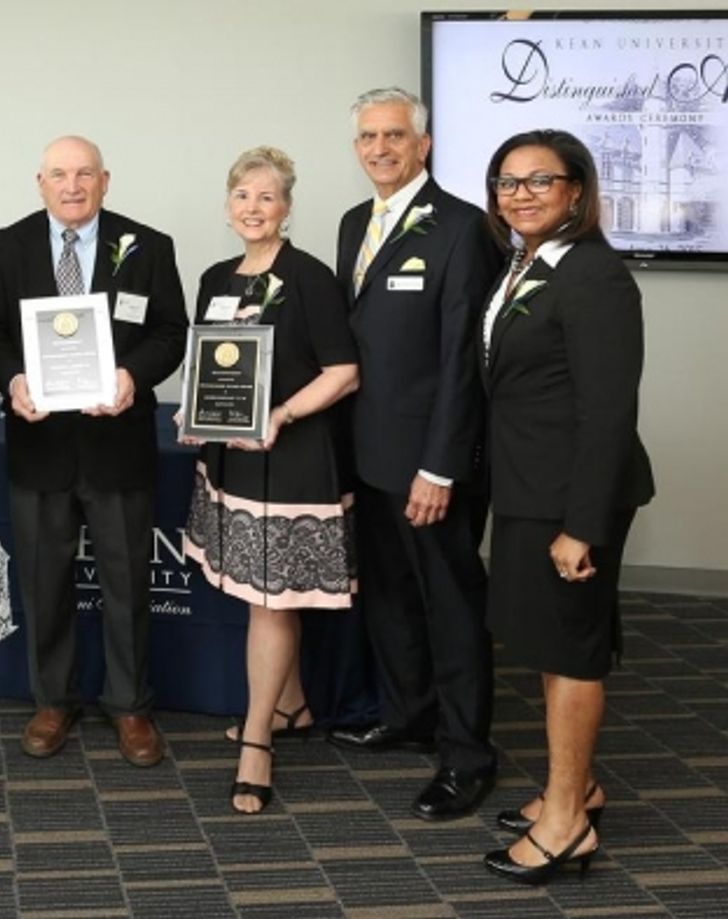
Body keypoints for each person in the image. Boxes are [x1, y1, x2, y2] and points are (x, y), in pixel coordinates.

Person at [0, 136, 187, 767]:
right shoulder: (3, 246)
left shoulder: (149, 245)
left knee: (127, 583)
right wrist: (12, 380)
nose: (72, 186)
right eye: (60, 175)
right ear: (40, 182)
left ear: (105, 180)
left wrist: (132, 376)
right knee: (44, 583)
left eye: (85, 174)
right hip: (39, 444)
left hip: (117, 444)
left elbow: (170, 331)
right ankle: (53, 700)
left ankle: (130, 705)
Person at [479, 130, 653, 883]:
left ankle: (565, 824)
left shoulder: (594, 275)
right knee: (553, 647)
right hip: (530, 487)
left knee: (572, 652)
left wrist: (581, 526)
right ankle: (575, 787)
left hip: (571, 499)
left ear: (576, 190)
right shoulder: (527, 264)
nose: (520, 194)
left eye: (539, 180)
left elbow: (608, 412)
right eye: (507, 182)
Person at [329, 87, 503, 819]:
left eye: (394, 135)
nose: (380, 148)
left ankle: (467, 755)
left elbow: (465, 360)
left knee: (451, 608)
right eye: (368, 137)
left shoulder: (464, 228)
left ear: (422, 145)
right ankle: (408, 714)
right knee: (391, 596)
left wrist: (440, 467)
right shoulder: (353, 223)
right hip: (368, 454)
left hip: (433, 466)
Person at [181, 147, 359, 812]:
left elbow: (344, 372)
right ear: (227, 205)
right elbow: (210, 365)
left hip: (291, 458)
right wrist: (195, 411)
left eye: (266, 196)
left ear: (286, 207)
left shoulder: (309, 277)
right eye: (242, 195)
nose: (253, 208)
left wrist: (280, 413)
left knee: (270, 599)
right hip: (233, 456)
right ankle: (291, 706)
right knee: (260, 592)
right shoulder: (214, 278)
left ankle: (257, 741)